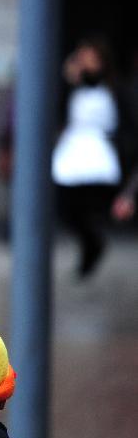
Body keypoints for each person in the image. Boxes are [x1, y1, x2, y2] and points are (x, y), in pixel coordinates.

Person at [53, 36, 136, 278]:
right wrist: (67, 81)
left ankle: (93, 245)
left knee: (92, 206)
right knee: (67, 206)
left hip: (101, 154)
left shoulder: (116, 89)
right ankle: (90, 245)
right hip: (72, 152)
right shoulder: (72, 88)